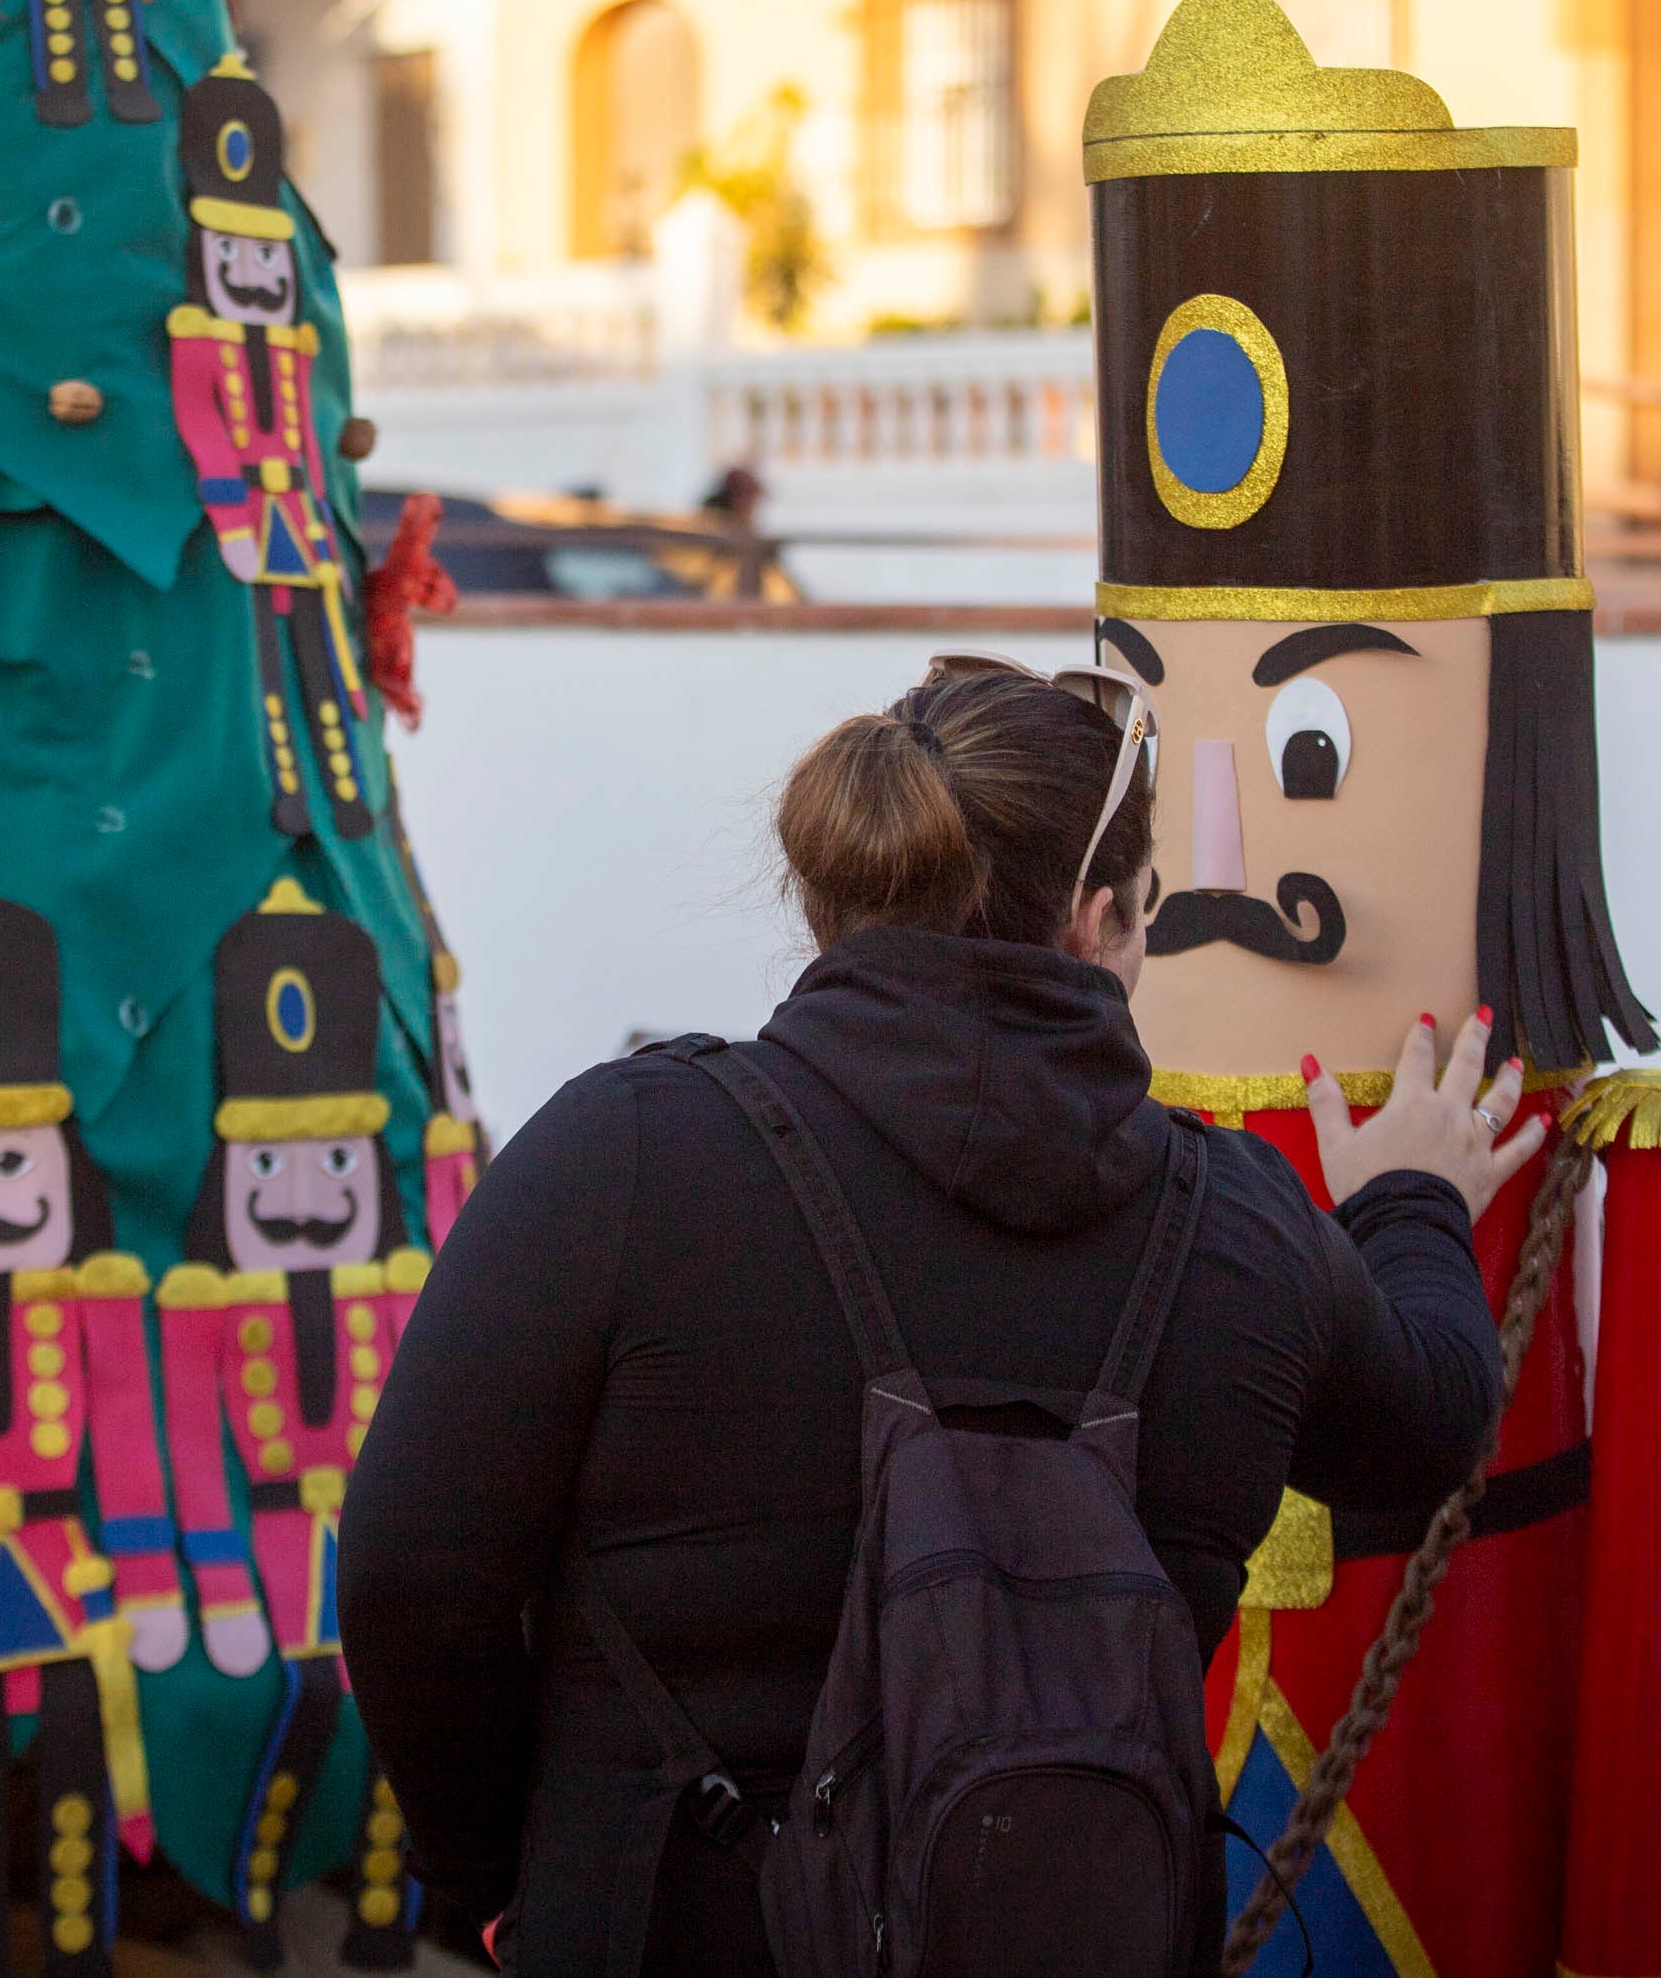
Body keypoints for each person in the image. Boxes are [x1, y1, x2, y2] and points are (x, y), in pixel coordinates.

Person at [339, 662, 1540, 1975]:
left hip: (653, 1919)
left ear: (828, 896)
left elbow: (411, 1569)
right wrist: (1412, 1200)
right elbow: (1428, 1428)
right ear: (1099, 921)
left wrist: (487, 1875)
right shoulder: (1241, 1228)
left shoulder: (627, 1154)